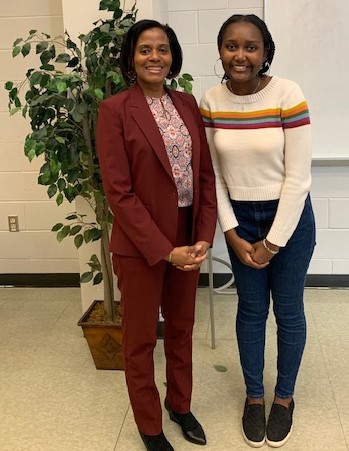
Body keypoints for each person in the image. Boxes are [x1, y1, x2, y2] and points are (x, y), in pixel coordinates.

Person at [97, 19, 217, 451]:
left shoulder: (187, 105)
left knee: (182, 330)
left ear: (173, 57)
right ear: (131, 57)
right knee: (141, 338)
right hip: (142, 247)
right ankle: (150, 425)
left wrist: (203, 236)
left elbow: (204, 177)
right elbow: (119, 193)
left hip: (189, 240)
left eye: (162, 49)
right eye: (145, 49)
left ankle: (179, 406)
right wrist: (165, 251)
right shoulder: (115, 110)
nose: (154, 57)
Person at [199, 14, 316, 449]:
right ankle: (254, 396)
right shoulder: (210, 101)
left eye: (250, 47)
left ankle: (283, 398)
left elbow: (298, 178)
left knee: (288, 311)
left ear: (265, 52)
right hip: (240, 221)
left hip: (289, 218)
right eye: (231, 46)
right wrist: (230, 231)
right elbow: (212, 175)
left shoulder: (288, 93)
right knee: (250, 312)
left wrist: (273, 242)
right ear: (220, 51)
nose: (240, 55)